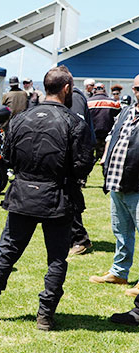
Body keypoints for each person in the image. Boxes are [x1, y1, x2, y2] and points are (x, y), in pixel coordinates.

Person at [0, 66, 94, 331]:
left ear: (46, 87)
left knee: (7, 251)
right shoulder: (74, 122)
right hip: (57, 194)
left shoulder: (21, 119)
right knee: (56, 258)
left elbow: (7, 157)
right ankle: (44, 315)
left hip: (26, 192)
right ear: (67, 89)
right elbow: (83, 164)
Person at [90, 74, 139, 298]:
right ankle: (119, 272)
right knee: (121, 231)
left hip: (137, 184)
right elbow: (112, 133)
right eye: (137, 88)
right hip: (117, 182)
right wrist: (106, 155)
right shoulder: (127, 111)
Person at [68, 85, 97, 256]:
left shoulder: (75, 97)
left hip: (76, 156)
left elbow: (78, 127)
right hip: (73, 154)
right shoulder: (73, 97)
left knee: (70, 197)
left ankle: (80, 240)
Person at [88, 83, 121, 160]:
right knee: (105, 153)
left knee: (91, 152)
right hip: (107, 132)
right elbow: (119, 115)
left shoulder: (88, 102)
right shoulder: (113, 102)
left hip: (93, 132)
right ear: (104, 90)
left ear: (94, 91)